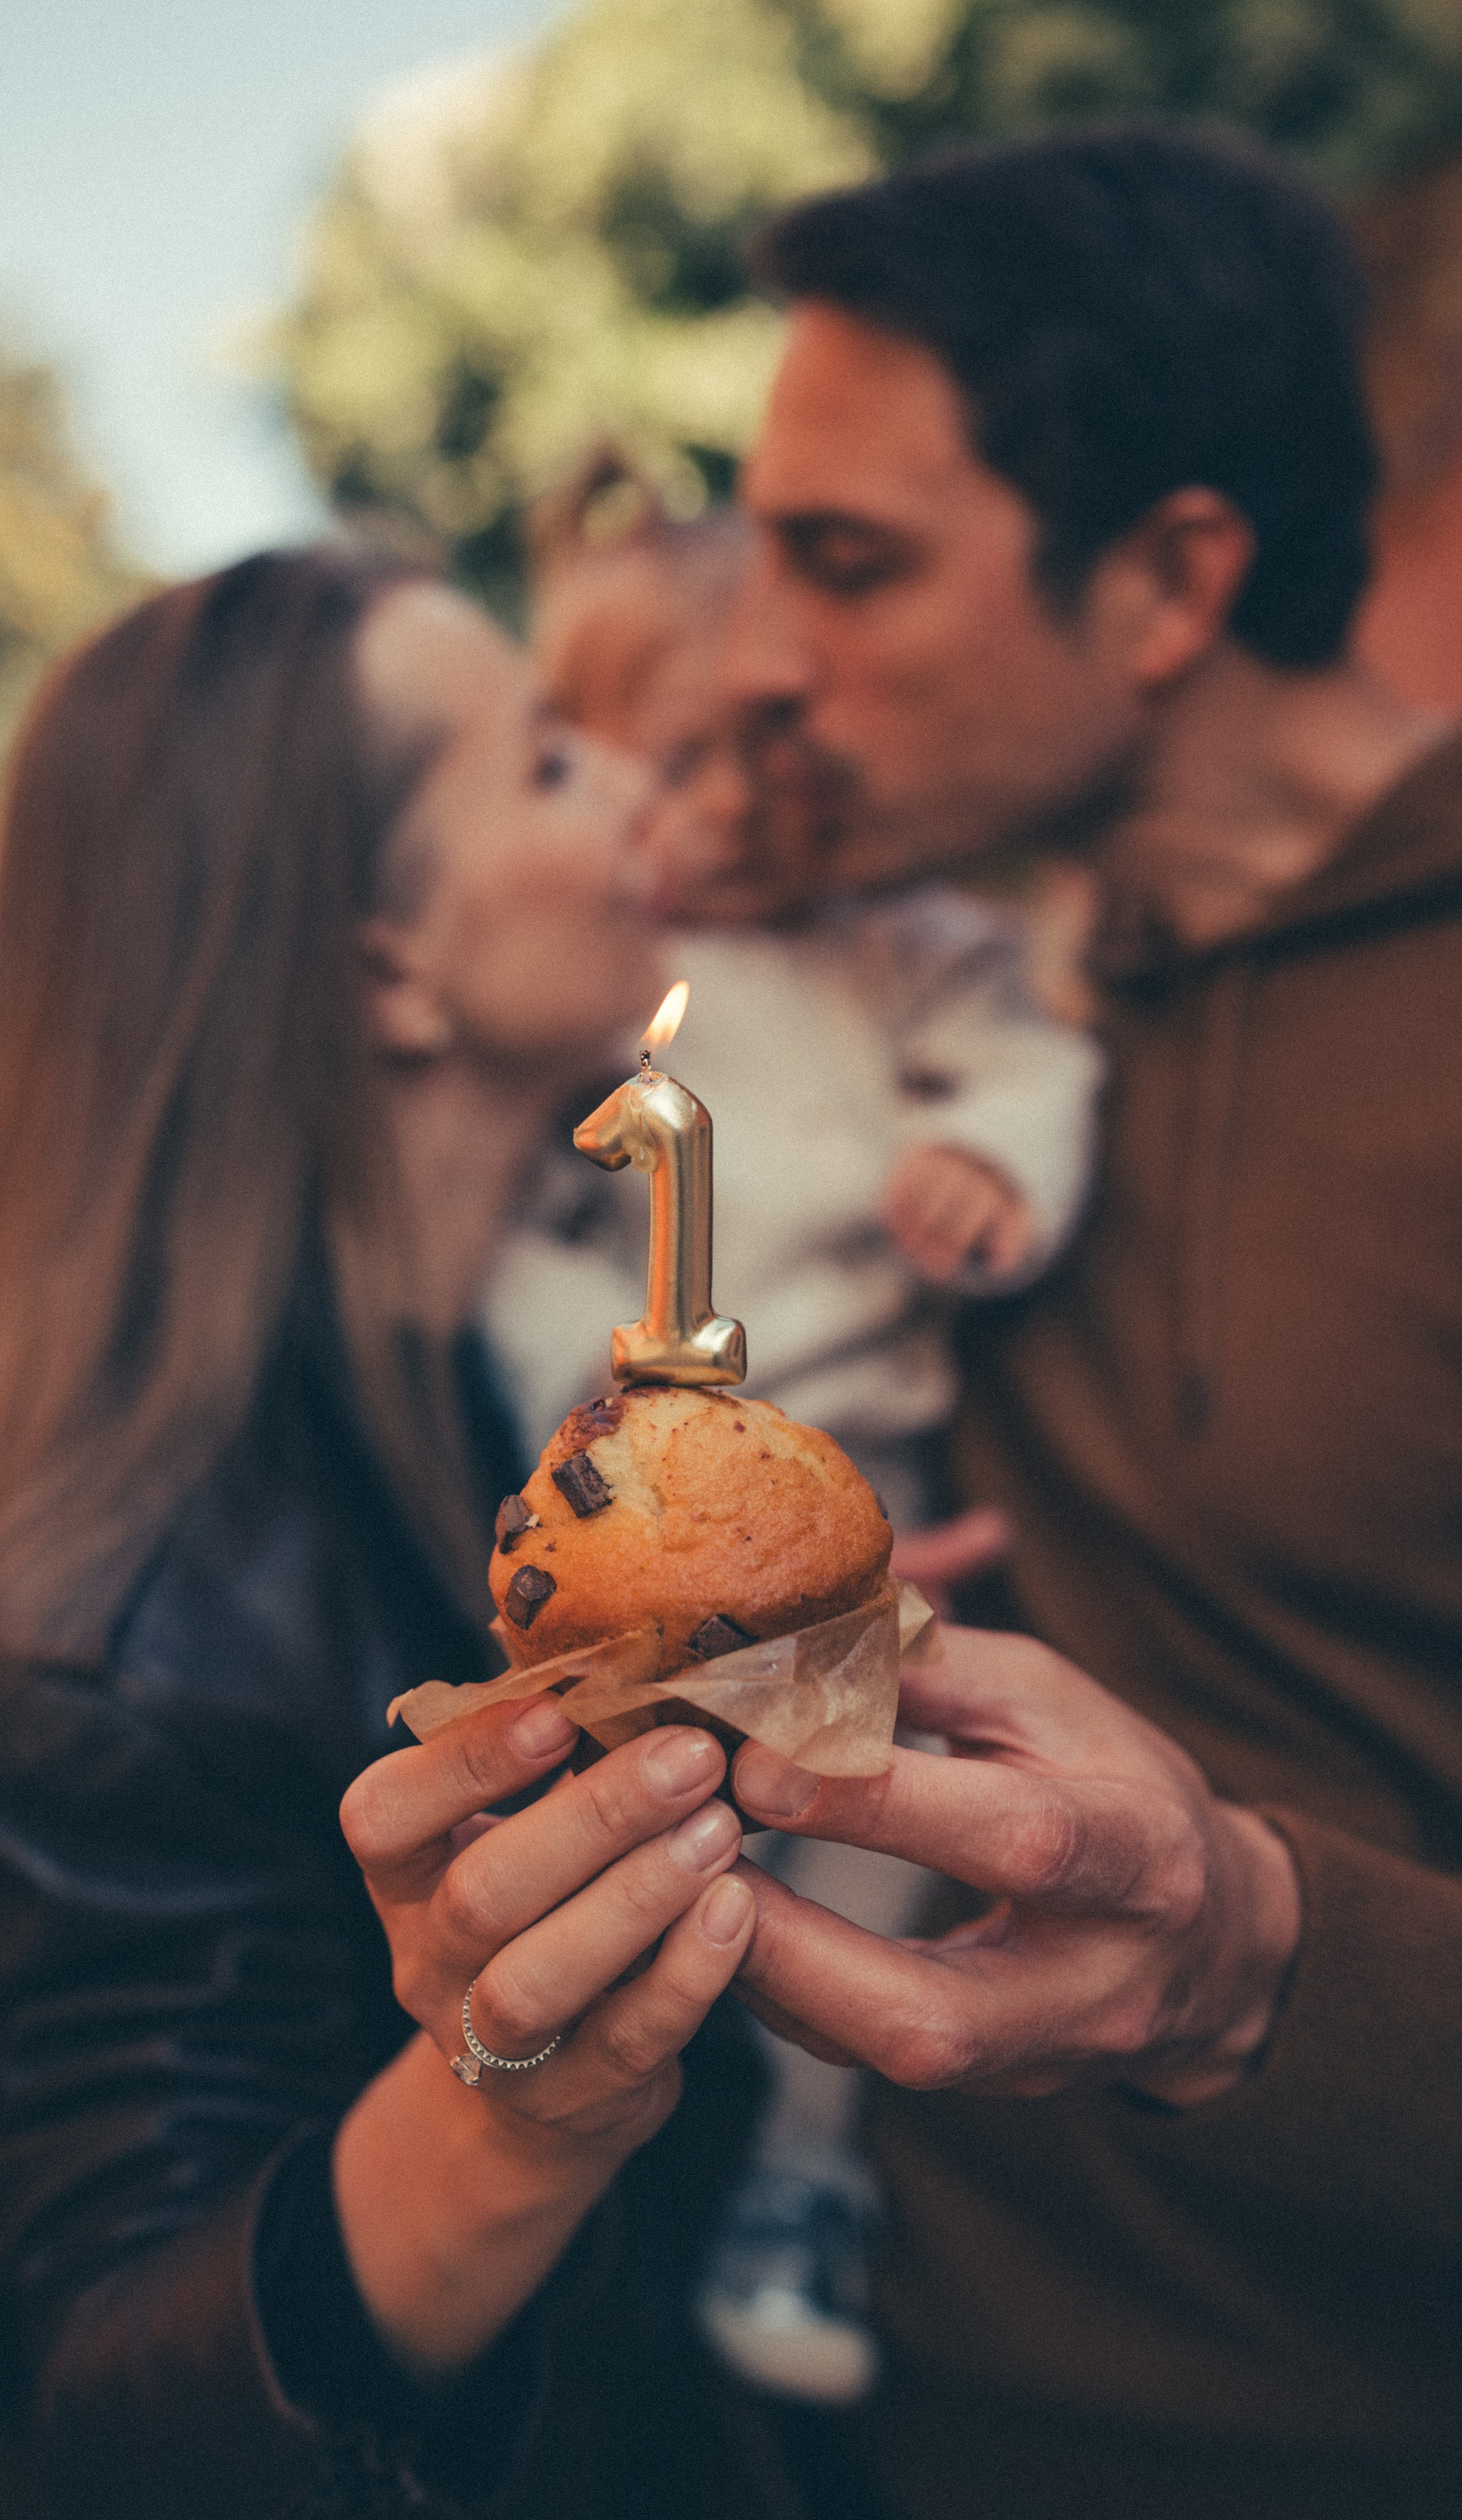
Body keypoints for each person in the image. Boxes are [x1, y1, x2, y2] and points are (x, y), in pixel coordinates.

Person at [0, 546, 786, 2520]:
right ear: (384, 962)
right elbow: (103, 2390)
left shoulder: (505, 1395)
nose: (640, 792)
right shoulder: (109, 1627)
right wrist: (507, 2121)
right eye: (548, 763)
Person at [710, 125, 1462, 2519]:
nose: (766, 662)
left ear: (1168, 582)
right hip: (856, 2408)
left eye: (849, 567)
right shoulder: (982, 1012)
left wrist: (1253, 1955)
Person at [483, 454, 1102, 2402]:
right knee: (638, 1847)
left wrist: (991, 1158)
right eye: (675, 760)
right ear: (586, 755)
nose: (734, 809)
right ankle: (624, 2157)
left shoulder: (896, 942)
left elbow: (1039, 1054)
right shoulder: (599, 996)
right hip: (643, 1525)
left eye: (772, 751)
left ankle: (804, 2181)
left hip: (862, 1496)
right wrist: (563, 1400)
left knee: (865, 1854)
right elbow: (513, 1240)